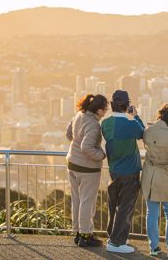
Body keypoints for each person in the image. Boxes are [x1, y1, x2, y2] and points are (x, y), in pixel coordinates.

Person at [101, 90, 145, 254]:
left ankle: (113, 236)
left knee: (115, 205)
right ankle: (116, 242)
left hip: (114, 170)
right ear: (127, 105)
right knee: (126, 207)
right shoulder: (130, 123)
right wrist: (135, 116)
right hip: (130, 172)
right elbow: (143, 134)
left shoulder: (105, 123)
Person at [141, 103, 168, 258]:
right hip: (166, 177)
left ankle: (154, 247)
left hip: (149, 176)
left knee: (151, 213)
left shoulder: (148, 130)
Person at [66, 93, 108, 247]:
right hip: (87, 169)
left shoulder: (79, 115)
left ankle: (77, 232)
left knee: (77, 200)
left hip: (72, 163)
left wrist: (76, 148)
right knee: (87, 202)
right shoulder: (94, 125)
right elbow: (87, 148)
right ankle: (85, 235)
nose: (106, 112)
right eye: (105, 109)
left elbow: (69, 134)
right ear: (98, 110)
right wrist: (101, 155)